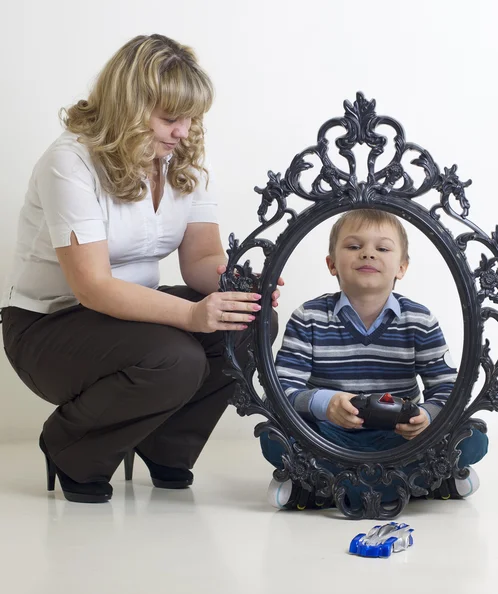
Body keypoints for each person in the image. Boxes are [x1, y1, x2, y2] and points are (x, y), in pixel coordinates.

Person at [1, 34, 279, 504]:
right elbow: (91, 286)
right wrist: (191, 316)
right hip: (49, 326)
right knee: (176, 357)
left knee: (250, 322)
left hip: (130, 319)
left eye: (190, 118)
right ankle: (70, 445)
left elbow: (199, 264)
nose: (183, 132)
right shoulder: (69, 162)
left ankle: (163, 443)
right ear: (127, 107)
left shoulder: (181, 160)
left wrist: (242, 285)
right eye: (170, 118)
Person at [261, 209, 488, 509]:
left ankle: (317, 487)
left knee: (473, 437)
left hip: (401, 439)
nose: (368, 254)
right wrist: (325, 404)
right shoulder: (308, 317)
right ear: (331, 264)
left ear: (402, 267)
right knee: (271, 436)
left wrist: (427, 418)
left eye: (382, 248)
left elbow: (448, 390)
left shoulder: (419, 320)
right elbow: (283, 391)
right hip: (330, 437)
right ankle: (426, 483)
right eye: (354, 247)